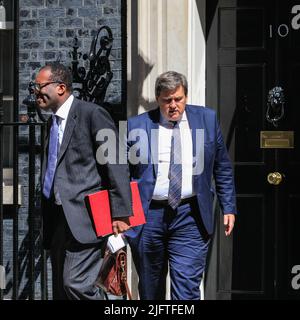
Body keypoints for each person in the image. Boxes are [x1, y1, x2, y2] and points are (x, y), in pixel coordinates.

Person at [125, 71, 237, 300]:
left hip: (190, 215)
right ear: (158, 99)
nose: (173, 105)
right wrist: (119, 215)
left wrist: (229, 206)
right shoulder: (137, 125)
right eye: (167, 100)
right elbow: (120, 174)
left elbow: (222, 165)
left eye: (178, 99)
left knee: (186, 290)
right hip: (149, 216)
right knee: (150, 289)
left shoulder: (206, 119)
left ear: (186, 96)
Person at [35, 62, 132, 300]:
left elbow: (116, 162)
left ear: (60, 87)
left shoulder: (92, 114)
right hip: (57, 217)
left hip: (86, 217)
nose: (35, 92)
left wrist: (121, 213)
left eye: (39, 86)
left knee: (76, 284)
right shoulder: (51, 124)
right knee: (60, 289)